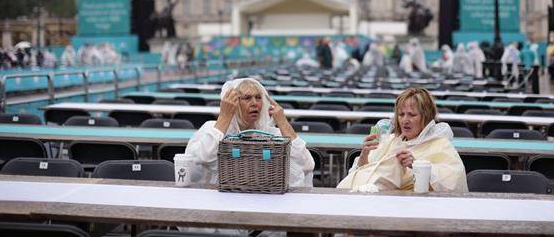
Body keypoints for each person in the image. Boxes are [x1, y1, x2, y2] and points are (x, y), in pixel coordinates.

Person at [185, 78, 315, 187]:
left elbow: (307, 164)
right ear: (232, 103)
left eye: (258, 98)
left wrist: (283, 122)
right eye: (247, 98)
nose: (255, 103)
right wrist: (225, 116)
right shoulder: (213, 130)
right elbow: (203, 158)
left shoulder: (272, 135)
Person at [337, 88, 468, 193]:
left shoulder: (440, 145)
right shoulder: (389, 140)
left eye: (412, 115)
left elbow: (454, 183)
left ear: (426, 117)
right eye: (401, 114)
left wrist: (417, 165)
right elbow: (365, 175)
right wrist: (364, 154)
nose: (405, 120)